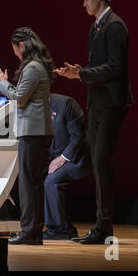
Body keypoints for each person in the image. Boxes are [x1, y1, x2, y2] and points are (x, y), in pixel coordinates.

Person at [54, 0, 133, 244]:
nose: (84, 3)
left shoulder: (115, 25)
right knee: (99, 163)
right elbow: (98, 65)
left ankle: (104, 226)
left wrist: (81, 74)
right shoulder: (96, 26)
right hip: (98, 103)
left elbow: (115, 67)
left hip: (112, 103)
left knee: (101, 161)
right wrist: (79, 71)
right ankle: (102, 225)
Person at [0, 27, 54, 245]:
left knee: (28, 184)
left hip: (33, 132)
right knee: (32, 183)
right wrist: (5, 84)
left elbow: (20, 99)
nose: (14, 53)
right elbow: (22, 95)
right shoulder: (37, 65)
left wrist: (2, 83)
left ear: (21, 46)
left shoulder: (32, 67)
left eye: (15, 49)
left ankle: (29, 231)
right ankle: (33, 231)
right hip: (37, 132)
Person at [43, 93, 91, 240]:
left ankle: (61, 229)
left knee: (51, 181)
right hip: (54, 157)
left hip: (77, 156)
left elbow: (78, 136)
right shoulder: (32, 106)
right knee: (36, 179)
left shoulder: (66, 103)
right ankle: (58, 227)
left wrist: (62, 158)